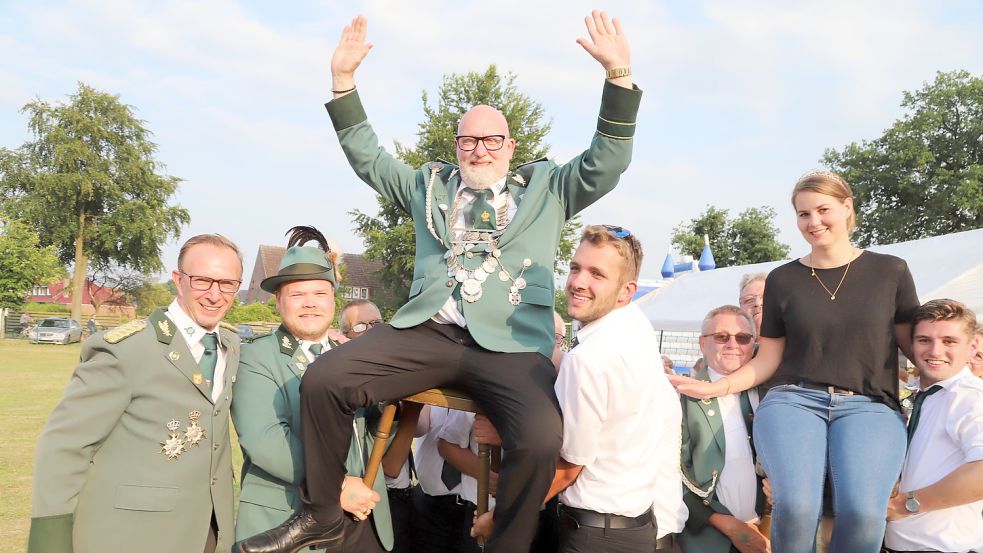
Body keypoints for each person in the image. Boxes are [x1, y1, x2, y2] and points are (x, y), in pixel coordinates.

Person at [238, 11, 641, 553]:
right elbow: (369, 159)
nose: (479, 150)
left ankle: (509, 542)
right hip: (428, 332)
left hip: (511, 344)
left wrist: (617, 74)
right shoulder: (428, 187)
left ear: (510, 146)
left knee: (544, 436)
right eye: (468, 141)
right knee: (324, 380)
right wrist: (343, 84)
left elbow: (607, 162)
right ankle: (322, 514)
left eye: (491, 141)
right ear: (456, 146)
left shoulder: (549, 187)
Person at [671, 170, 920, 553]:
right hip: (794, 401)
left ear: (847, 207)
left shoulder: (891, 271)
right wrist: (714, 387)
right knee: (798, 506)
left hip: (869, 406)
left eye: (823, 210)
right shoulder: (784, 279)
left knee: (864, 511)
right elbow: (768, 357)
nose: (814, 222)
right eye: (804, 214)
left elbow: (916, 346)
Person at [28, 234, 244, 553]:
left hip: (208, 532)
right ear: (178, 280)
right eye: (202, 281)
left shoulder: (231, 345)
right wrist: (50, 542)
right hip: (133, 535)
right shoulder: (126, 350)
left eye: (227, 284)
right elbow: (64, 446)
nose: (215, 294)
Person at [491, 225, 682, 552]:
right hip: (636, 529)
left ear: (626, 291)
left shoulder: (588, 359)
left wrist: (501, 518)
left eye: (597, 274)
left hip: (595, 534)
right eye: (576, 268)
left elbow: (569, 467)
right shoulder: (636, 326)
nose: (578, 283)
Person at [231, 227, 392, 552]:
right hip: (289, 519)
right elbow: (266, 440)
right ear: (278, 301)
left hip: (363, 519)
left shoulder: (350, 358)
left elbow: (370, 434)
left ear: (333, 298)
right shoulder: (256, 357)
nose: (310, 304)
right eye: (297, 295)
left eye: (319, 294)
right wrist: (338, 485)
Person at [884, 299, 983, 552]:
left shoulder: (969, 396)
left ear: (972, 347)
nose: (935, 351)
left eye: (949, 341)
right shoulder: (921, 395)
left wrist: (908, 504)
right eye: (924, 340)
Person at [679, 305, 768, 553]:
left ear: (754, 344)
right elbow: (672, 473)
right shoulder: (685, 395)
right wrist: (731, 526)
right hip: (710, 539)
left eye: (742, 338)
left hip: (768, 534)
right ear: (702, 343)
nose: (732, 344)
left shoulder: (770, 394)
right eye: (721, 337)